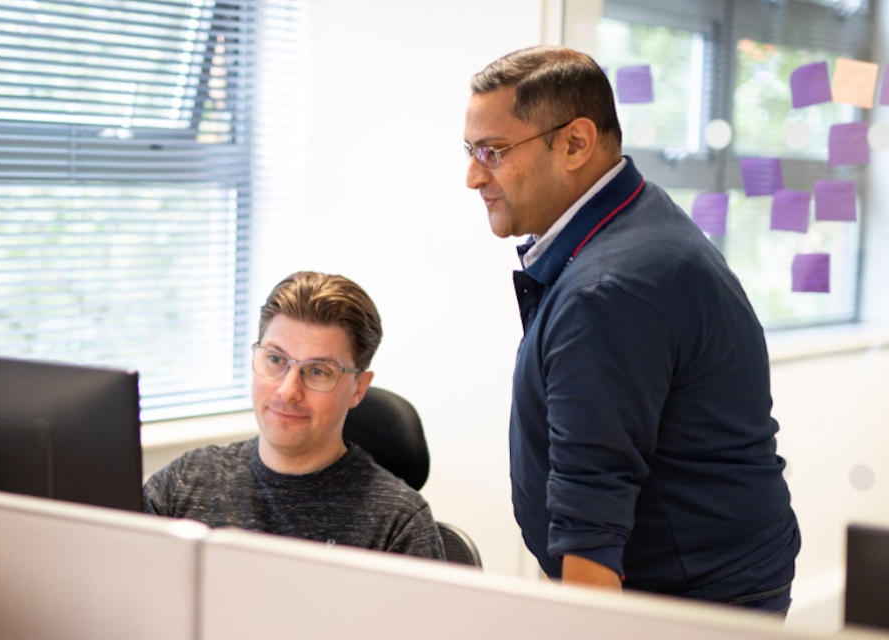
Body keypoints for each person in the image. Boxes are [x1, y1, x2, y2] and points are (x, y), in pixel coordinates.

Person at [464, 46, 800, 611]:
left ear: (575, 143)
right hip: (713, 575)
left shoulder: (610, 289)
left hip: (685, 599)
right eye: (471, 151)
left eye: (492, 152)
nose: (473, 175)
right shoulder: (632, 220)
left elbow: (592, 515)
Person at [143, 270, 446, 560]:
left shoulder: (398, 525)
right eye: (275, 359)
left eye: (317, 371)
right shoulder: (184, 483)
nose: (287, 391)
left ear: (358, 388)